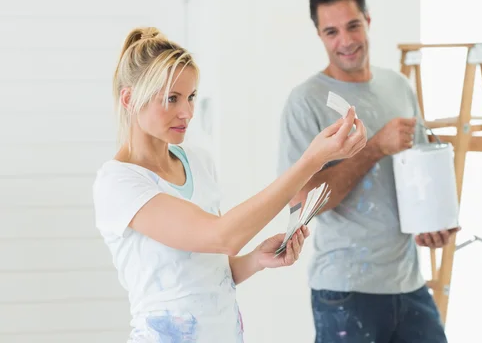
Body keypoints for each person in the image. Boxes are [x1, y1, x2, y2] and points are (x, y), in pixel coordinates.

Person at [92, 27, 367, 342]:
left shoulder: (197, 161)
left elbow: (209, 271)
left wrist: (255, 260)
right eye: (171, 98)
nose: (188, 112)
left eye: (191, 96)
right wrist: (310, 162)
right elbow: (223, 237)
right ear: (129, 99)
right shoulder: (119, 183)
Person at [277, 0, 458, 342]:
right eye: (331, 31)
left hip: (409, 284)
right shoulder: (307, 101)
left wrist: (431, 221)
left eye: (353, 25)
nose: (345, 40)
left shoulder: (398, 86)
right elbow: (303, 202)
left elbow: (416, 172)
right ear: (319, 36)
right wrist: (374, 146)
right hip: (345, 291)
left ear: (369, 21)